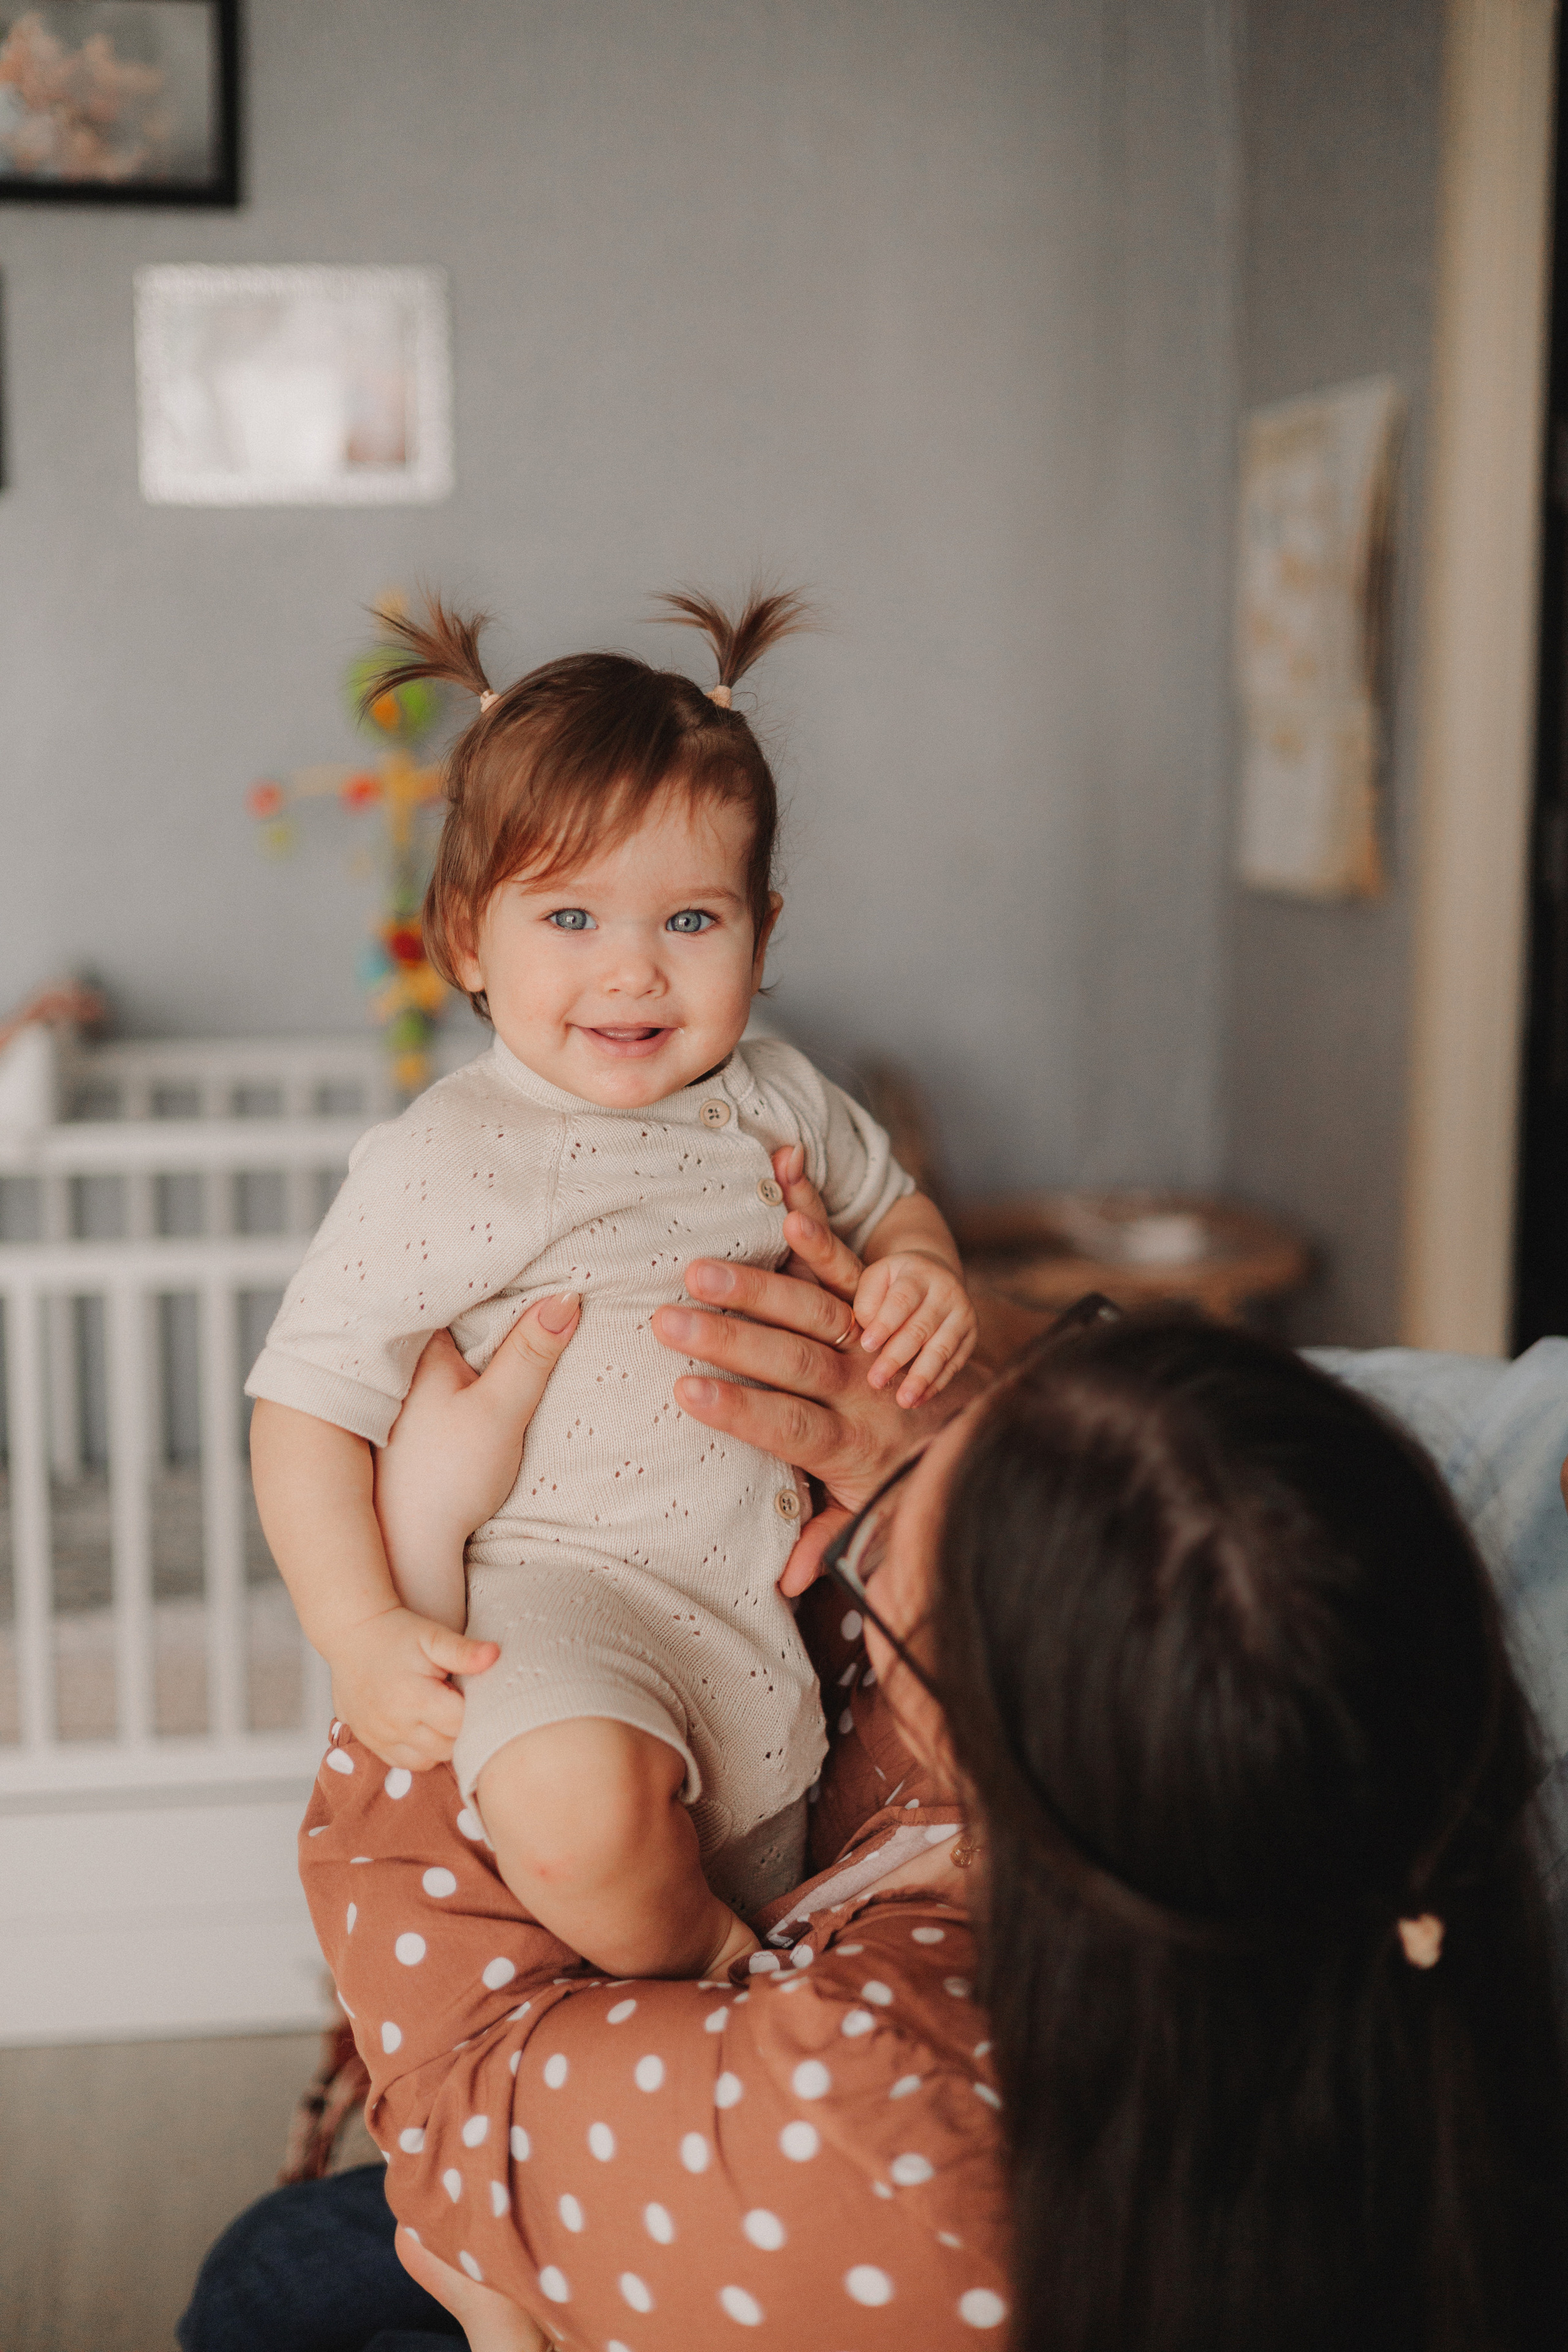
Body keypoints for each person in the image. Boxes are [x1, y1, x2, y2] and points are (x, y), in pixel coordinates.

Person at [260, 1188, 1568, 2352]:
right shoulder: (1344, 1839)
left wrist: (415, 1568)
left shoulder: (886, 2157)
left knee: (269, 2283)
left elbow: (452, 2089)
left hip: (708, 2170)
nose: (850, 1533)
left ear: (1009, 1764)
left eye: (881, 1560)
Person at [246, 584, 976, 1989]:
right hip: (554, 1599)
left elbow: (896, 1211)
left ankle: (764, 1930)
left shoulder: (776, 1097)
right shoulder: (445, 1159)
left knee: (864, 1776)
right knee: (583, 1829)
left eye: (690, 920)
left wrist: (925, 1273)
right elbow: (302, 1409)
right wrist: (360, 1630)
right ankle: (726, 1974)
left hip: (761, 1627)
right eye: (570, 915)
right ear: (465, 936)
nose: (633, 970)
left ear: (762, 930)